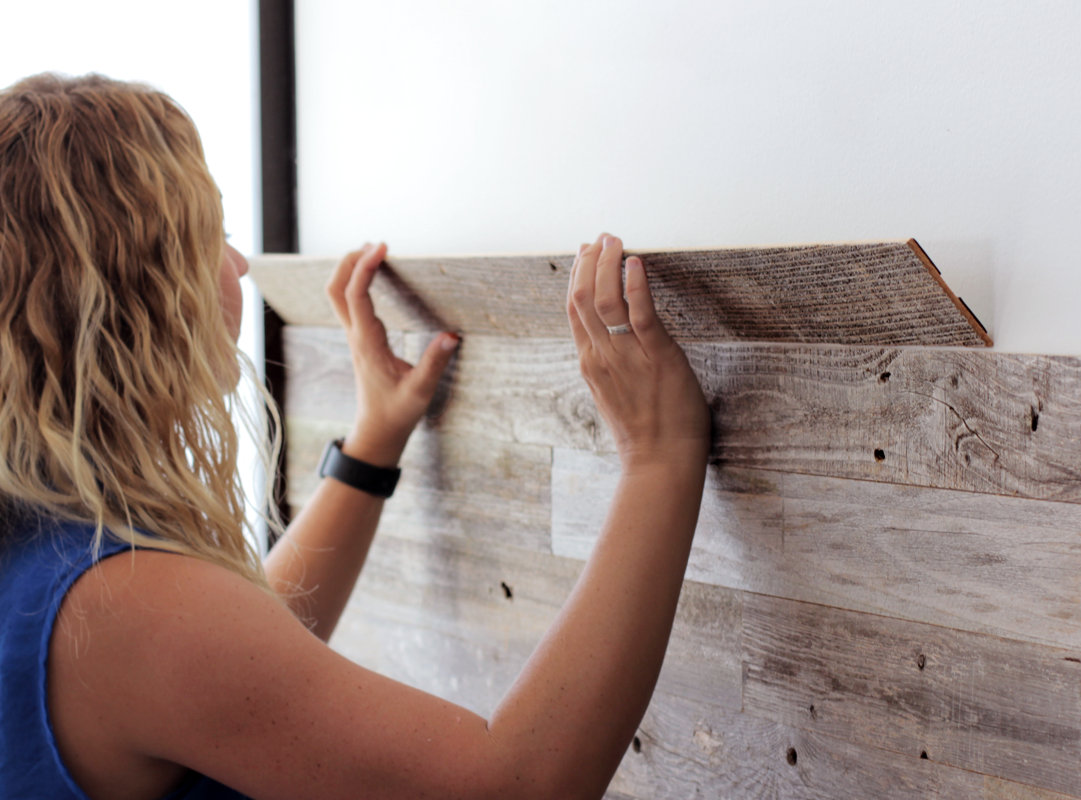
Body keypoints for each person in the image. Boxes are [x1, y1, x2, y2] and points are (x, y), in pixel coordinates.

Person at [0, 73, 710, 800]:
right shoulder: (120, 604)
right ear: (138, 285)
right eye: (214, 234)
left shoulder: (46, 551)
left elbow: (238, 669)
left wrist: (372, 446)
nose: (239, 264)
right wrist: (662, 458)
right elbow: (519, 786)